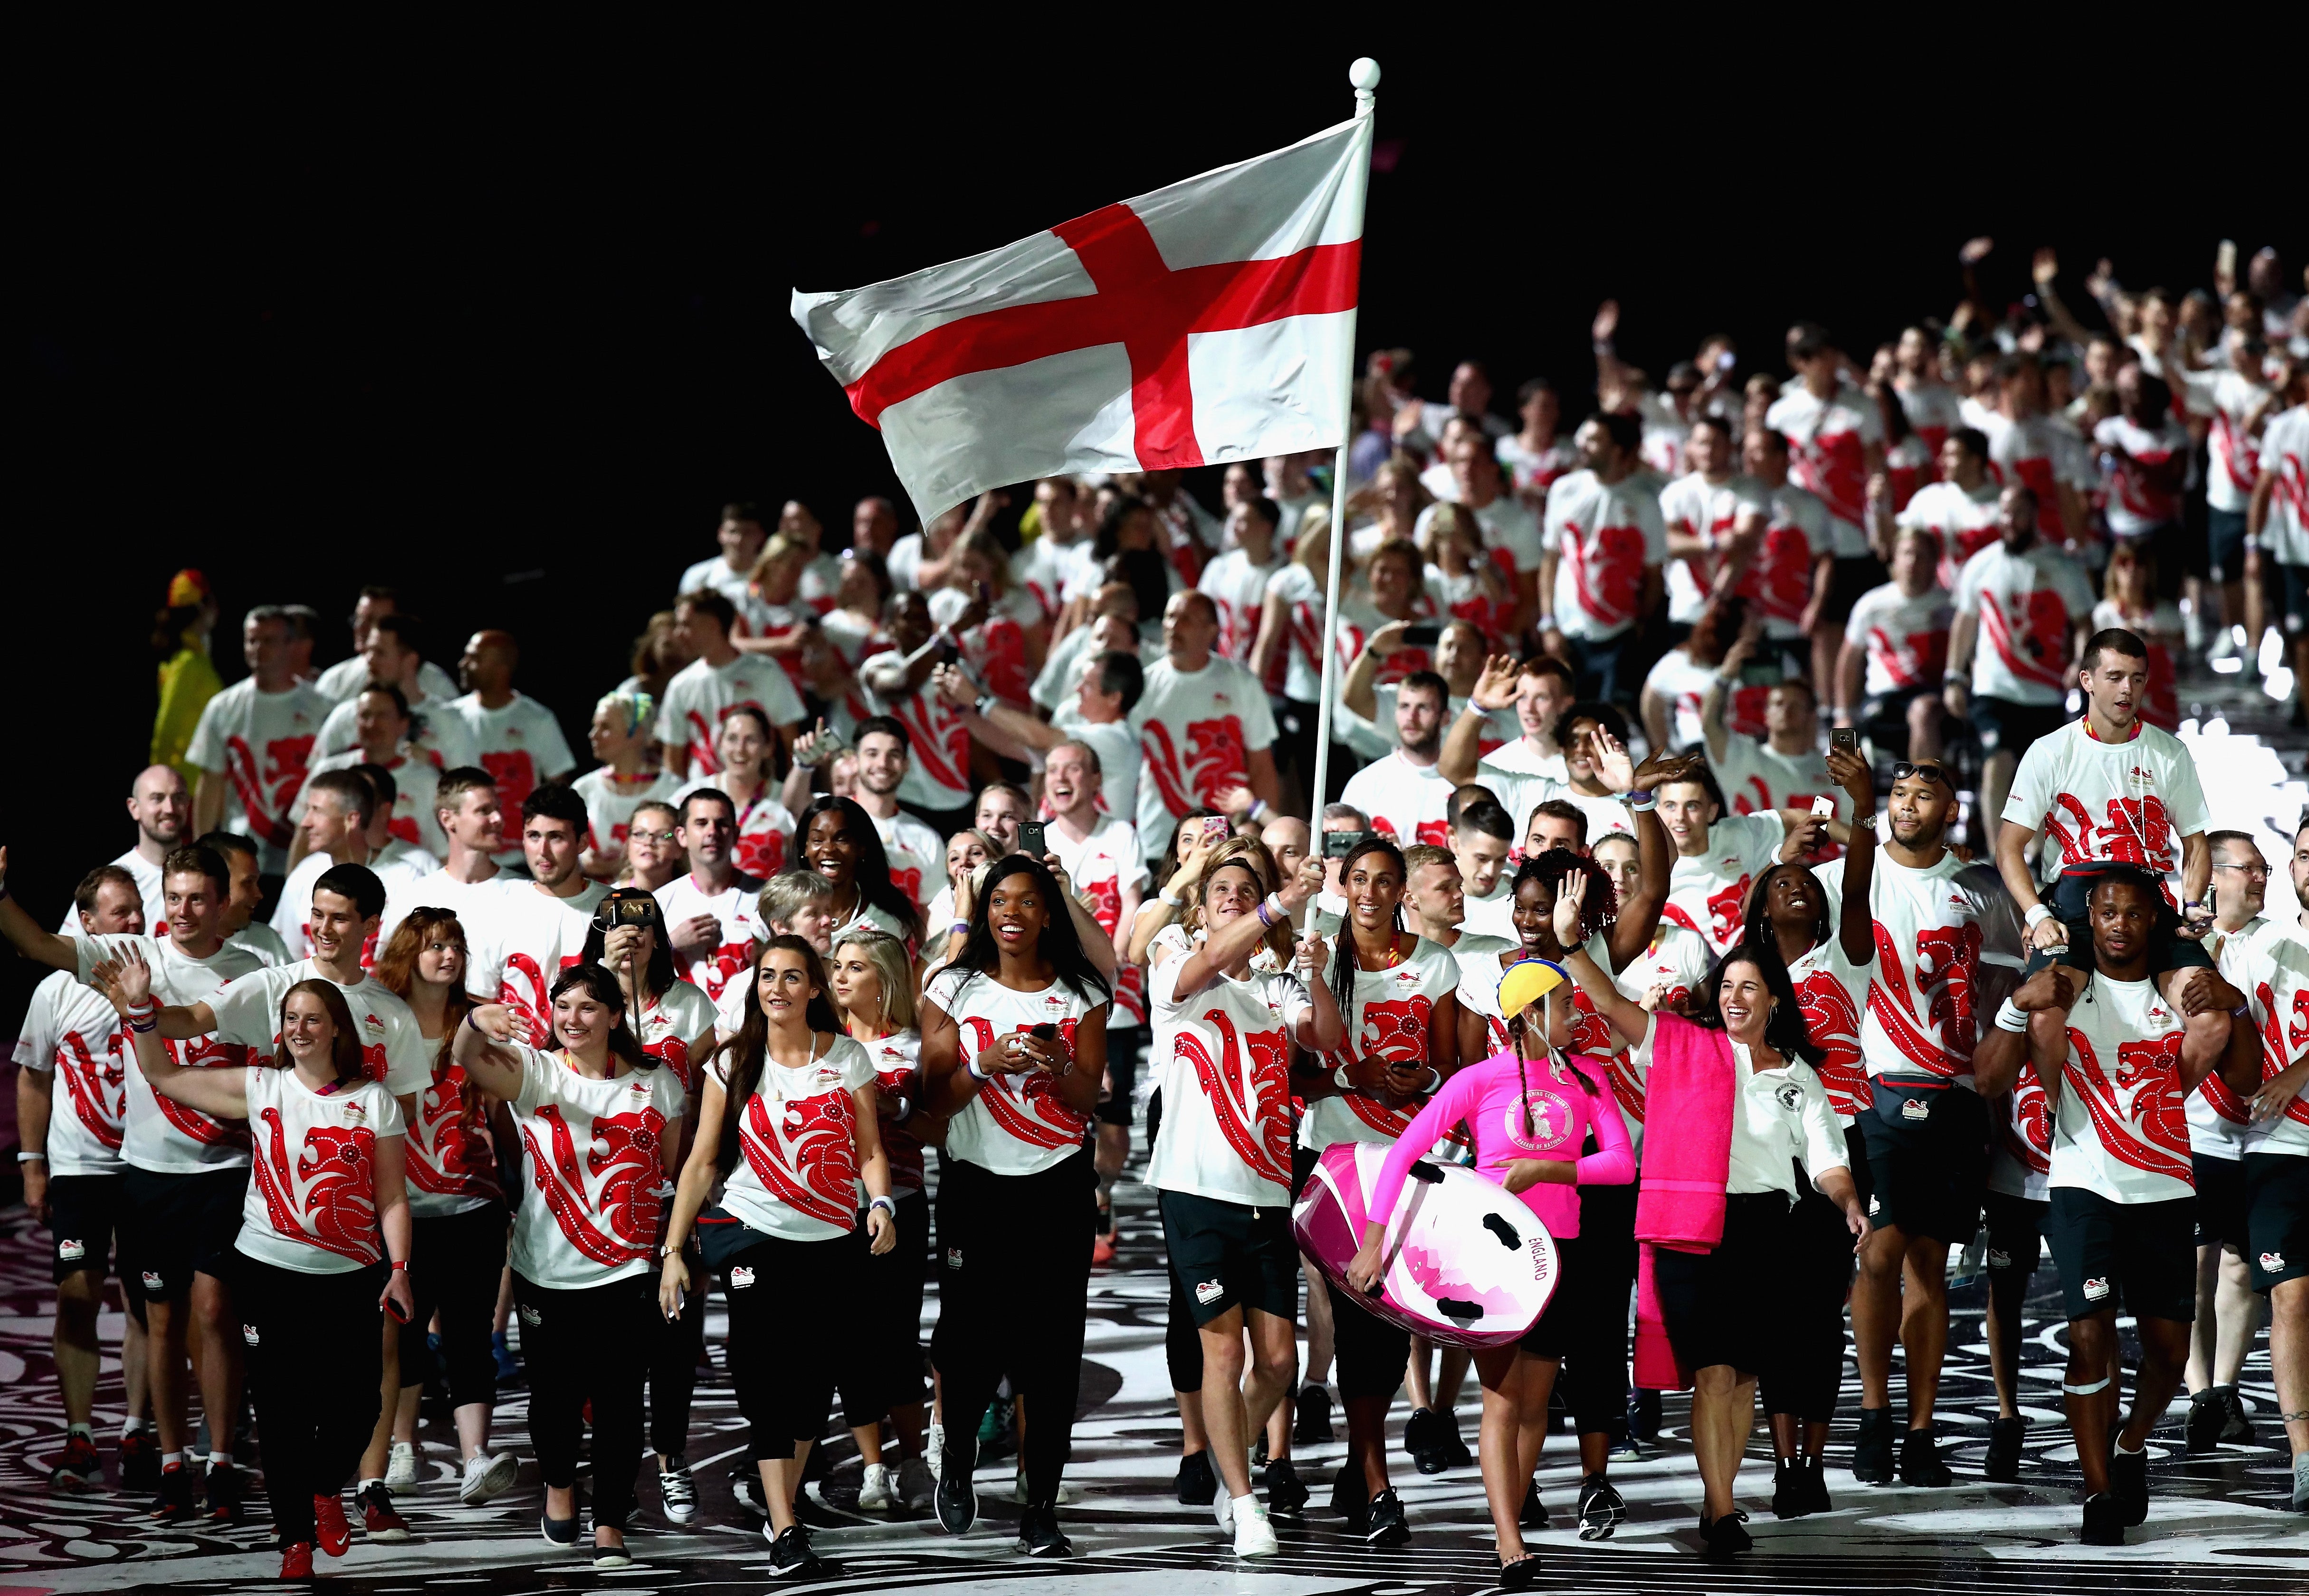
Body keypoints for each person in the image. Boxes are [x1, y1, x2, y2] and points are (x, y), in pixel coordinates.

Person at [1554, 884, 1868, 1558]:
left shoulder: (1800, 1077)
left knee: (1745, 1379)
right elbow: (1608, 1002)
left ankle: (1716, 1496)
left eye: (1749, 987)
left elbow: (1826, 1158)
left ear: (1774, 1000)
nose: (1734, 998)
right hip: (1690, 1228)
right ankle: (1723, 1509)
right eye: (1726, 986)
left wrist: (1846, 1202)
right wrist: (1571, 941)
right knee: (1715, 1374)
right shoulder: (1681, 1046)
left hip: (1766, 1234)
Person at [97, 947, 412, 1580]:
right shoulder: (260, 1087)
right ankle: (296, 1541)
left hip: (351, 1275)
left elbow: (393, 1196)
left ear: (337, 1030)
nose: (299, 1028)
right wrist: (139, 1009)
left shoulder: (375, 1102)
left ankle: (327, 1487)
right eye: (290, 1018)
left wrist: (400, 1267)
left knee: (358, 1405)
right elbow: (161, 1074)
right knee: (280, 1408)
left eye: (312, 1019)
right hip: (266, 1271)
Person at [1975, 868, 2259, 1544]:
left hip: (2163, 1188)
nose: (2121, 925)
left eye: (2134, 914)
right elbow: (1986, 1078)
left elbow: (2245, 1082)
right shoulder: (2060, 999)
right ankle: (2099, 1491)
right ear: (2091, 922)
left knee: (2166, 1355)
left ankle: (2131, 1445)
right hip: (2082, 1186)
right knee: (2088, 1336)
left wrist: (2238, 1005)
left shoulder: (2185, 997)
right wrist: (2016, 1006)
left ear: (2153, 922)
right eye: (2108, 914)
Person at [0, 841, 270, 1522]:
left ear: (222, 904)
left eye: (196, 899)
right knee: (162, 1316)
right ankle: (172, 1459)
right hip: (148, 1172)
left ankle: (222, 1459)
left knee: (215, 1312)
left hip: (228, 1170)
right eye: (172, 897)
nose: (181, 911)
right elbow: (35, 945)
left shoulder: (257, 969)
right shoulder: (129, 959)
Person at [1351, 953, 1635, 1584]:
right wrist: (1372, 1243)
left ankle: (1513, 1514)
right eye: (1563, 1005)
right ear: (1530, 1015)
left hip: (1561, 1257)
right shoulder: (1480, 1079)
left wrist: (1550, 1170)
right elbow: (1404, 1153)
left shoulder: (1588, 1078)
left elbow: (1621, 1164)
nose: (1574, 1013)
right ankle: (1509, 1540)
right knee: (1504, 1401)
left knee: (1536, 1404)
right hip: (1494, 1259)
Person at [652, 936, 893, 1578]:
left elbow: (870, 1149)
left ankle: (778, 1493)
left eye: (793, 977)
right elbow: (702, 1161)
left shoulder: (847, 1058)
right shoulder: (734, 1063)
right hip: (754, 1235)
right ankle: (785, 1528)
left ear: (816, 988)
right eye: (767, 977)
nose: (778, 988)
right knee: (767, 1379)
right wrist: (675, 1250)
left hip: (833, 1241)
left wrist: (881, 1203)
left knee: (814, 1388)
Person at [454, 963, 688, 1568]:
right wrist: (478, 1019)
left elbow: (669, 1174)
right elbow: (466, 1057)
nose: (572, 1019)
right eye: (563, 1007)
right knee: (554, 1402)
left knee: (618, 1402)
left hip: (626, 1270)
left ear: (615, 1016)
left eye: (588, 1008)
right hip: (544, 1271)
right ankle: (560, 1485)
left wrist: (668, 1255)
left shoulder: (658, 1083)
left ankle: (610, 1520)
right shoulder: (535, 1070)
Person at [1145, 835, 1337, 1555]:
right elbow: (1204, 964)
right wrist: (1276, 902)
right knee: (1222, 1358)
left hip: (1266, 1190)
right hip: (1195, 1190)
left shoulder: (1276, 982)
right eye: (1221, 891)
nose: (1232, 897)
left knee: (1280, 1363)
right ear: (1201, 906)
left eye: (1244, 889)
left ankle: (1232, 1461)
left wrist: (1312, 972)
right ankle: (1244, 1501)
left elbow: (1325, 1036)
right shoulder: (1174, 958)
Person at [1840, 757, 2024, 1484]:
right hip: (1878, 1087)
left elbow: (2008, 976)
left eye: (1924, 795)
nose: (1907, 805)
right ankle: (1874, 1414)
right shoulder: (1853, 873)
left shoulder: (1979, 885)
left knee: (1929, 1265)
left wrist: (1991, 1057)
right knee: (1878, 1253)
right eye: (1899, 793)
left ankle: (1919, 1434)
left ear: (1951, 809)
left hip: (1953, 1093)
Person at [920, 856, 1111, 1558]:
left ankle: (1041, 1511)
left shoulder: (1082, 992)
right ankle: (959, 1455)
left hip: (1058, 1188)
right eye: (999, 900)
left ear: (1048, 914)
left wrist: (1057, 1069)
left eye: (1028, 902)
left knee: (1053, 1355)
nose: (1012, 913)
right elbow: (932, 1103)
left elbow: (1090, 1100)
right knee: (972, 1343)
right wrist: (985, 1066)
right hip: (977, 1187)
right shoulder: (953, 987)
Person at [1294, 834, 1463, 1544]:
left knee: (1391, 1335)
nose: (1368, 892)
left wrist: (1417, 1080)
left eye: (1384, 881)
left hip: (1408, 1164)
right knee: (1360, 1319)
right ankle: (1377, 1485)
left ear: (1404, 891)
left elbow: (1455, 1070)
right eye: (1357, 879)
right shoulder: (1317, 957)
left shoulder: (1435, 964)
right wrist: (1348, 1078)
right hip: (1333, 1166)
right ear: (1342, 884)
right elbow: (1294, 1078)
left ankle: (1359, 1467)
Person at [1735, 747, 1879, 1514]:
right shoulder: (1740, 981)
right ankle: (1783, 1453)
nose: (1795, 886)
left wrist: (1857, 813)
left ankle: (1812, 1463)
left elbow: (1856, 883)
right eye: (1779, 882)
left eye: (1804, 885)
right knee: (1771, 1316)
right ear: (1760, 911)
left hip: (1842, 1150)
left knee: (1820, 1314)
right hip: (1758, 1157)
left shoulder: (1846, 960)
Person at [1996, 630, 2224, 1101]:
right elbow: (2008, 848)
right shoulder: (2050, 750)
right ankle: (2068, 1114)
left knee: (2213, 1021)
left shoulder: (2170, 752)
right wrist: (2037, 918)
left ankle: (2149, 1112)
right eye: (2115, 677)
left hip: (2149, 902)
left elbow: (2196, 845)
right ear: (2087, 681)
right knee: (2043, 1015)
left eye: (2138, 679)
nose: (2127, 690)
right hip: (2075, 906)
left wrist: (2195, 902)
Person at [369, 910, 521, 1509]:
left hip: (473, 1201)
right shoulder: (381, 1022)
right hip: (401, 1207)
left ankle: (475, 1458)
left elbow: (507, 1103)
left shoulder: (481, 1017)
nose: (448, 955)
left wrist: (523, 1179)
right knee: (401, 1341)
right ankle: (402, 1447)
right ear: (409, 953)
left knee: (470, 1338)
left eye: (455, 944)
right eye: (434, 945)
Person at [15, 866, 152, 1492]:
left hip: (154, 1166)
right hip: (80, 1168)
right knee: (78, 1295)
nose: (133, 922)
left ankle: (138, 1426)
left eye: (137, 911)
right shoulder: (55, 993)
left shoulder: (165, 978)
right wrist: (33, 1164)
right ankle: (79, 1434)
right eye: (118, 913)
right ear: (88, 924)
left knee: (151, 1303)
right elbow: (34, 1077)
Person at [827, 927, 939, 1516]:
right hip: (829, 1209)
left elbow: (939, 1132)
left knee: (896, 1339)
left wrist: (893, 1106)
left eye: (856, 968)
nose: (841, 976)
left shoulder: (918, 1047)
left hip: (901, 1201)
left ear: (886, 980)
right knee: (850, 1340)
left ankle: (914, 1459)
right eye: (838, 966)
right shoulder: (818, 1044)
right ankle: (873, 1466)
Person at [2185, 832, 2283, 1454]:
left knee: (2243, 1268)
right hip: (2191, 1130)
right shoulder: (2177, 944)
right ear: (2214, 876)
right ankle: (2200, 1394)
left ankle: (2224, 1389)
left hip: (2260, 1132)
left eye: (2265, 869)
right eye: (2248, 869)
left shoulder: (2283, 940)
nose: (2260, 879)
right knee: (2193, 1265)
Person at [1033, 740, 1148, 1257]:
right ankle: (1071, 1201)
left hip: (1114, 1003)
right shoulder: (1036, 839)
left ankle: (1101, 1189)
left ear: (1096, 780)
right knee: (1061, 1105)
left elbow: (1130, 906)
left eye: (1073, 769)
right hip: (1051, 1001)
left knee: (1116, 1127)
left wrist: (1109, 961)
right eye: (1052, 769)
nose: (1061, 778)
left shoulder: (1120, 835)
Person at [1946, 485, 2097, 841]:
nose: (2010, 521)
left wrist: (2079, 662)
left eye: (2018, 513)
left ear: (2034, 517)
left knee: (2041, 774)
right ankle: (2001, 853)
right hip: (1993, 688)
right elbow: (1965, 624)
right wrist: (1954, 676)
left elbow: (2083, 623)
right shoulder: (1981, 564)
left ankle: (2035, 854)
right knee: (1996, 760)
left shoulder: (2062, 567)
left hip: (2043, 692)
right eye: (2005, 512)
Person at [1771, 324, 1889, 698]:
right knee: (1815, 629)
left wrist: (1880, 521)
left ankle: (1844, 714)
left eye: (1832, 356)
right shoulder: (1782, 412)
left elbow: (1876, 469)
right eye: (1820, 358)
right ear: (1802, 363)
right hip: (1800, 535)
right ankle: (1820, 713)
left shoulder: (1860, 406)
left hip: (1850, 537)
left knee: (1845, 629)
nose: (1829, 365)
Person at [1133, 590, 1282, 866]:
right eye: (1170, 617)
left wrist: (1263, 832)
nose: (1173, 626)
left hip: (1228, 835)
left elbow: (1262, 765)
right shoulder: (1144, 686)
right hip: (1160, 834)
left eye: (1186, 619)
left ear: (1212, 630)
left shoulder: (1240, 681)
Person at [186, 605, 332, 874]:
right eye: (252, 640)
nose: (258, 649)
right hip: (242, 855)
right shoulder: (223, 707)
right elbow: (211, 782)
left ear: (291, 645)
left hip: (308, 854)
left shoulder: (322, 710)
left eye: (270, 641)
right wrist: (202, 854)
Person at [463, 787, 609, 1043]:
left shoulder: (612, 908)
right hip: (511, 1069)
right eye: (533, 836)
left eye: (556, 838)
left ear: (583, 842)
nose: (543, 850)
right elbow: (479, 1004)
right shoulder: (495, 907)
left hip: (592, 1069)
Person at [1539, 412, 1667, 703]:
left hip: (1619, 636)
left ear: (1618, 450)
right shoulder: (1564, 490)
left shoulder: (1644, 501)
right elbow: (1550, 560)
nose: (1583, 445)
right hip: (1569, 631)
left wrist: (1640, 625)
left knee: (1611, 724)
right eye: (1583, 438)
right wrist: (1548, 623)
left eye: (1594, 440)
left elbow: (1654, 574)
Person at [272, 770, 436, 963]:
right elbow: (286, 956)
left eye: (317, 811)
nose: (306, 823)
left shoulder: (406, 878)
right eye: (307, 810)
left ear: (351, 819)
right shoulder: (305, 873)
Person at [657, 593, 807, 782]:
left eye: (686, 625)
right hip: (704, 800)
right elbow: (673, 761)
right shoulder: (680, 685)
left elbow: (792, 743)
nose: (678, 633)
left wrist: (792, 795)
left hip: (761, 797)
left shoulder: (765, 672)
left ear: (713, 625)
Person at [1837, 527, 1955, 762]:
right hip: (1884, 700)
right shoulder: (1871, 605)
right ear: (1895, 558)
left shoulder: (1952, 606)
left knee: (1924, 712)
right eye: (1907, 554)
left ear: (1935, 561)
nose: (1913, 562)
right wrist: (1843, 714)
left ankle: (1923, 792)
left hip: (1937, 696)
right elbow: (1849, 661)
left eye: (1921, 555)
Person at [294, 686, 449, 861]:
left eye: (382, 716)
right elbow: (302, 837)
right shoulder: (329, 771)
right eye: (365, 716)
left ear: (403, 724)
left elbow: (443, 851)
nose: (371, 724)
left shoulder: (428, 781)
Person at [449, 630, 578, 836]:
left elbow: (559, 787)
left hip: (523, 854)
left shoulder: (538, 719)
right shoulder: (452, 717)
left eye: (475, 659)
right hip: (469, 849)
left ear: (502, 669)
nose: (463, 664)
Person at [314, 614, 476, 773]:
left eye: (380, 653)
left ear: (410, 661)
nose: (369, 660)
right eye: (369, 651)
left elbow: (472, 788)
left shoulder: (449, 720)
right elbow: (316, 777)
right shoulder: (345, 715)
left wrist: (434, 764)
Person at [652, 789, 767, 1007]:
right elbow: (633, 975)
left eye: (721, 823)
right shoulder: (660, 902)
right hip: (685, 1032)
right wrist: (671, 943)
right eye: (701, 823)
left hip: (751, 1031)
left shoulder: (766, 898)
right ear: (681, 836)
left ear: (736, 834)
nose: (712, 832)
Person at [377, 769, 505, 946]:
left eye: (498, 809)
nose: (498, 818)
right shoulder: (412, 898)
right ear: (448, 819)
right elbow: (389, 968)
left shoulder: (525, 893)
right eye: (484, 811)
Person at [57, 766, 190, 933]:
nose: (170, 809)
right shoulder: (109, 882)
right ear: (134, 808)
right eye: (157, 799)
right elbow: (68, 948)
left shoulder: (211, 873)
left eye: (178, 798)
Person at [1338, 670, 1455, 848]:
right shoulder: (1365, 784)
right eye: (1404, 706)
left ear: (1445, 717)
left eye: (1423, 708)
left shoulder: (1464, 784)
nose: (1411, 717)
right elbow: (1342, 854)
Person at [574, 690, 681, 882]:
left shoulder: (672, 790)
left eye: (605, 727)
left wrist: (620, 865)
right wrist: (581, 858)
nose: (593, 735)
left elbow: (678, 847)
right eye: (594, 726)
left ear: (637, 733)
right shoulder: (584, 790)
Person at [1893, 426, 2003, 589]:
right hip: (1938, 603)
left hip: (1984, 599)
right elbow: (1894, 544)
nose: (1941, 462)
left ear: (1975, 461)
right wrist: (1880, 506)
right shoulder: (1928, 499)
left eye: (1951, 455)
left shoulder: (2003, 505)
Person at [315, 587, 461, 706]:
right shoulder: (334, 681)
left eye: (373, 621)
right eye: (358, 619)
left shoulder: (436, 684)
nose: (360, 628)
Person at [151, 569, 223, 788]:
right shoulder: (187, 664)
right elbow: (166, 730)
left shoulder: (194, 658)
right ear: (203, 607)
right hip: (188, 784)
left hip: (200, 778)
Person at [678, 502, 770, 612]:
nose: (739, 540)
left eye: (747, 533)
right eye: (733, 532)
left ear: (760, 535)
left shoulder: (771, 576)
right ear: (721, 534)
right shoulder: (698, 576)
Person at [620, 800, 687, 894]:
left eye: (663, 836)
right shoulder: (607, 899)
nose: (649, 842)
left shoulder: (693, 900)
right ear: (628, 844)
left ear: (680, 847)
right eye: (639, 834)